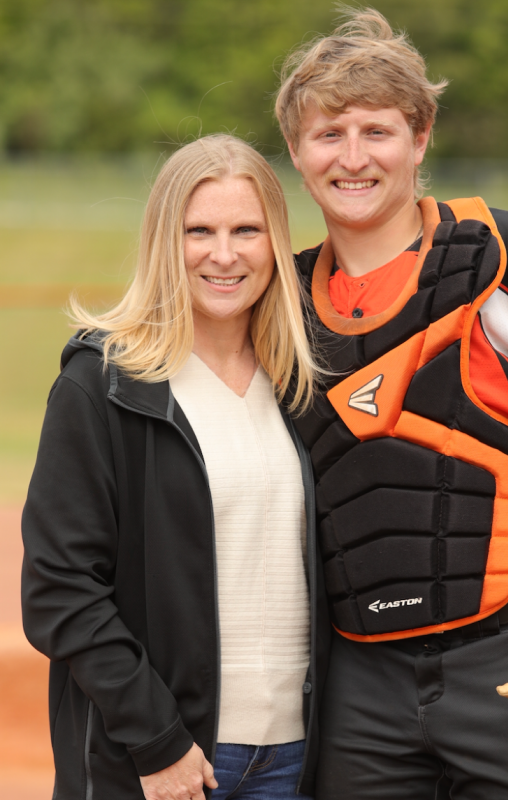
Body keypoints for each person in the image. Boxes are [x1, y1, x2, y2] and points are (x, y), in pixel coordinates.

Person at [273, 9, 508, 800]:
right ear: (297, 154)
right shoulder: (280, 304)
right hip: (357, 681)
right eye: (328, 134)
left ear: (420, 135)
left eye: (376, 131)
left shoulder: (501, 255)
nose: (353, 157)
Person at [21, 134, 330, 800]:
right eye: (199, 231)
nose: (224, 254)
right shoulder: (101, 385)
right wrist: (157, 742)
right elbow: (60, 591)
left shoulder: (303, 385)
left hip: (298, 761)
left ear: (275, 242)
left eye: (246, 230)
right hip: (168, 762)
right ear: (166, 240)